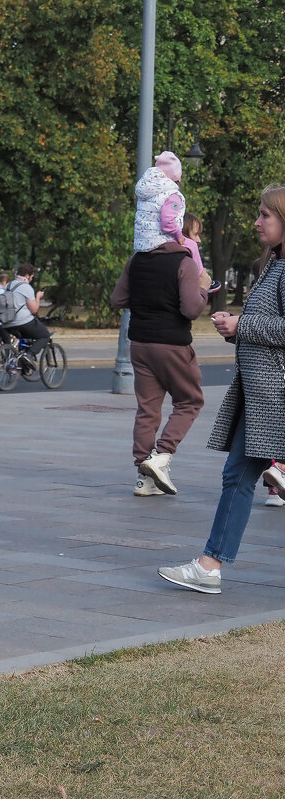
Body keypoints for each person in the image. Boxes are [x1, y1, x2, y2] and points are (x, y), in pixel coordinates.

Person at [158, 185, 285, 594]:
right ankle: (210, 566)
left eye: (265, 214)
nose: (257, 221)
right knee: (237, 476)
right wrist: (236, 329)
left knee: (237, 477)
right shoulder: (274, 264)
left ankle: (210, 565)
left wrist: (242, 325)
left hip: (274, 394)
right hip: (262, 393)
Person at [110, 226, 211, 497]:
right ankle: (161, 456)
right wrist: (203, 289)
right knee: (190, 401)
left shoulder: (136, 260)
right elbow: (190, 309)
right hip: (172, 344)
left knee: (147, 409)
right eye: (195, 234)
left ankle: (145, 478)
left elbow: (118, 298)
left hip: (140, 344)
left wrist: (147, 299)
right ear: (181, 234)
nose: (198, 240)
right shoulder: (184, 263)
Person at [2, 263, 50, 365]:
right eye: (32, 277)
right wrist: (38, 297)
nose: (31, 279)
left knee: (24, 337)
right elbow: (34, 310)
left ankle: (19, 365)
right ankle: (29, 355)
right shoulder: (26, 287)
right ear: (27, 275)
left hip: (7, 322)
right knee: (45, 336)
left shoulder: (9, 285)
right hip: (22, 322)